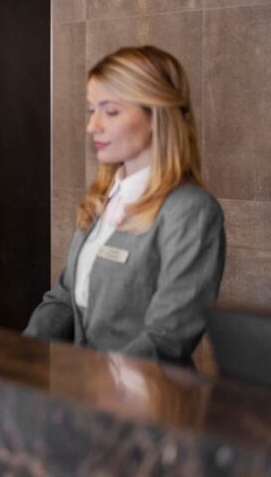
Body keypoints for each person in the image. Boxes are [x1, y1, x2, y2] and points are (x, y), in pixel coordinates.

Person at [24, 45, 225, 367]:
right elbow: (62, 300)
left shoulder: (191, 210)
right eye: (92, 110)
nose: (93, 126)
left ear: (157, 115)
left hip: (147, 404)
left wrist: (102, 384)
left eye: (111, 111)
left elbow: (168, 337)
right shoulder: (102, 198)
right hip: (85, 396)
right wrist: (20, 357)